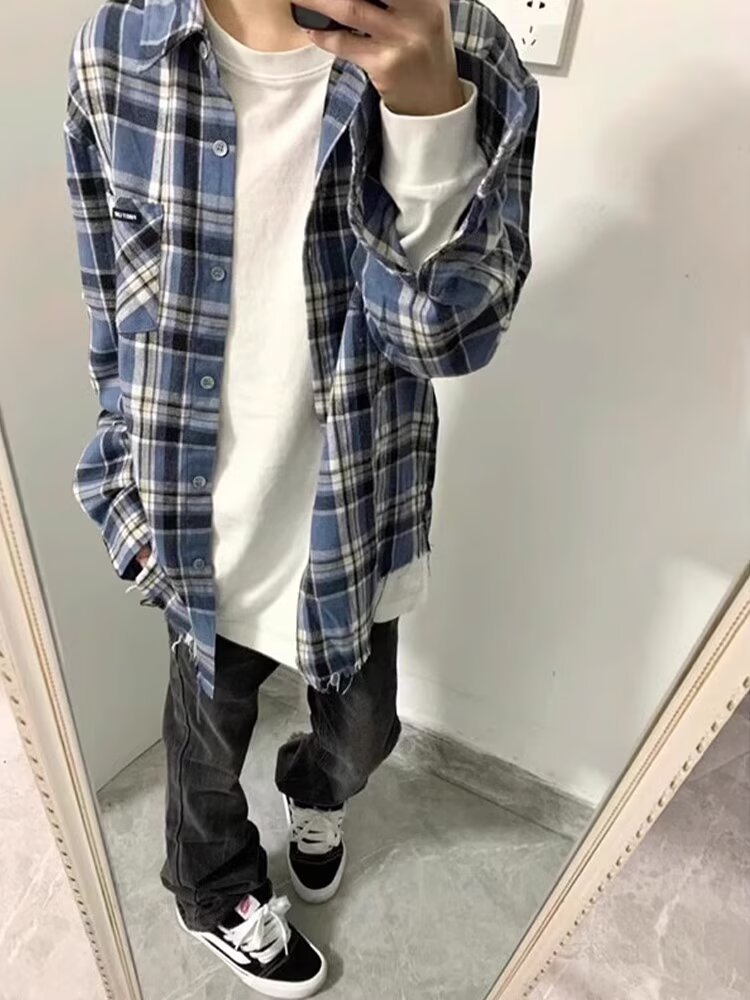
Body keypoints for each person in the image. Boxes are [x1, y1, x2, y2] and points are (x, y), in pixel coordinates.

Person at [64, 0, 538, 994]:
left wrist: (426, 115)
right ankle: (212, 888)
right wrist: (117, 476)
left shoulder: (462, 43)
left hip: (354, 517)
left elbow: (447, 337)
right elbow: (110, 304)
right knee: (202, 752)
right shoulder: (118, 48)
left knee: (362, 735)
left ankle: (312, 787)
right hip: (196, 519)